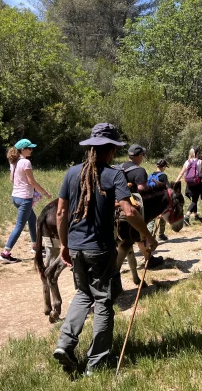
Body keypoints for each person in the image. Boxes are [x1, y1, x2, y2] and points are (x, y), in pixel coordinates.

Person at [53, 123, 158, 375]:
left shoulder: (71, 173)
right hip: (100, 249)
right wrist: (147, 236)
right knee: (102, 301)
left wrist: (65, 244)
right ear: (111, 150)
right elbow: (130, 210)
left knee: (82, 294)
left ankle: (65, 344)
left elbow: (60, 212)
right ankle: (96, 363)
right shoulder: (114, 175)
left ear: (90, 148)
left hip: (76, 247)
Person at [0, 138, 51, 263]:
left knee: (32, 219)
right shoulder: (26, 163)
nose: (31, 150)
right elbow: (32, 181)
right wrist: (45, 193)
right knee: (19, 226)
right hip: (24, 199)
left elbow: (12, 180)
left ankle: (35, 246)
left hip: (15, 197)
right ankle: (5, 253)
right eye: (29, 148)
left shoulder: (14, 162)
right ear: (23, 149)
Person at [119, 145, 164, 266]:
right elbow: (143, 192)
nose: (142, 158)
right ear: (139, 156)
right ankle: (149, 259)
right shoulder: (139, 171)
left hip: (118, 205)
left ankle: (147, 258)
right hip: (132, 207)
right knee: (141, 232)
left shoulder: (119, 167)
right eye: (142, 155)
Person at [175, 147, 202, 225]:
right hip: (197, 183)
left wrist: (176, 182)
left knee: (194, 199)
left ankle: (196, 215)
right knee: (195, 200)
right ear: (197, 153)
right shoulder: (200, 162)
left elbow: (181, 173)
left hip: (189, 183)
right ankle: (187, 216)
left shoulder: (187, 162)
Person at [147, 159, 170, 241]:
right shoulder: (163, 176)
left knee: (151, 219)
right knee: (162, 217)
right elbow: (167, 189)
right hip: (159, 200)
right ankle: (160, 235)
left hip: (150, 199)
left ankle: (148, 235)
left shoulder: (150, 175)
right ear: (163, 167)